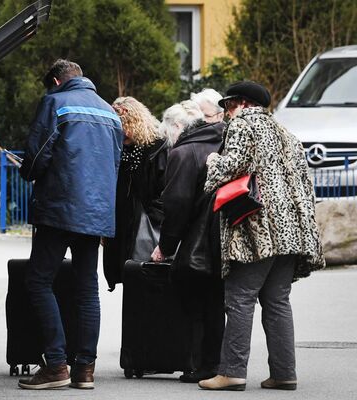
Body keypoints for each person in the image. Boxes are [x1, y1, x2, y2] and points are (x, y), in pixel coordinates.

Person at [198, 81, 325, 391]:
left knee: (240, 299)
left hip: (256, 229)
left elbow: (232, 166)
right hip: (290, 233)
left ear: (241, 103)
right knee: (278, 301)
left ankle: (232, 372)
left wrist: (212, 163)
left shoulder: (243, 124)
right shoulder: (286, 134)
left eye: (228, 105)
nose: (226, 112)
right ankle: (284, 373)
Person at [17, 59, 123, 390]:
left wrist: (26, 171)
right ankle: (85, 370)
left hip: (59, 207)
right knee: (86, 288)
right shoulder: (109, 112)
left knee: (38, 281)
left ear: (56, 81)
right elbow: (114, 164)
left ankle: (56, 365)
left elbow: (37, 155)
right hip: (95, 214)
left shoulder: (55, 102)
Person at [151, 99, 225, 383]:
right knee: (216, 303)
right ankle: (215, 363)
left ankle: (198, 365)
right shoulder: (220, 141)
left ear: (179, 126)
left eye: (167, 131)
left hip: (197, 241)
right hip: (224, 235)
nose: (166, 139)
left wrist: (165, 246)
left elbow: (177, 204)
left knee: (195, 303)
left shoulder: (183, 153)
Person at [102, 96, 168, 292]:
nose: (121, 131)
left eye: (124, 124)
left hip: (146, 223)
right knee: (127, 275)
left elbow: (164, 189)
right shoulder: (118, 149)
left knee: (144, 277)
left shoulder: (157, 147)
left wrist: (156, 217)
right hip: (121, 221)